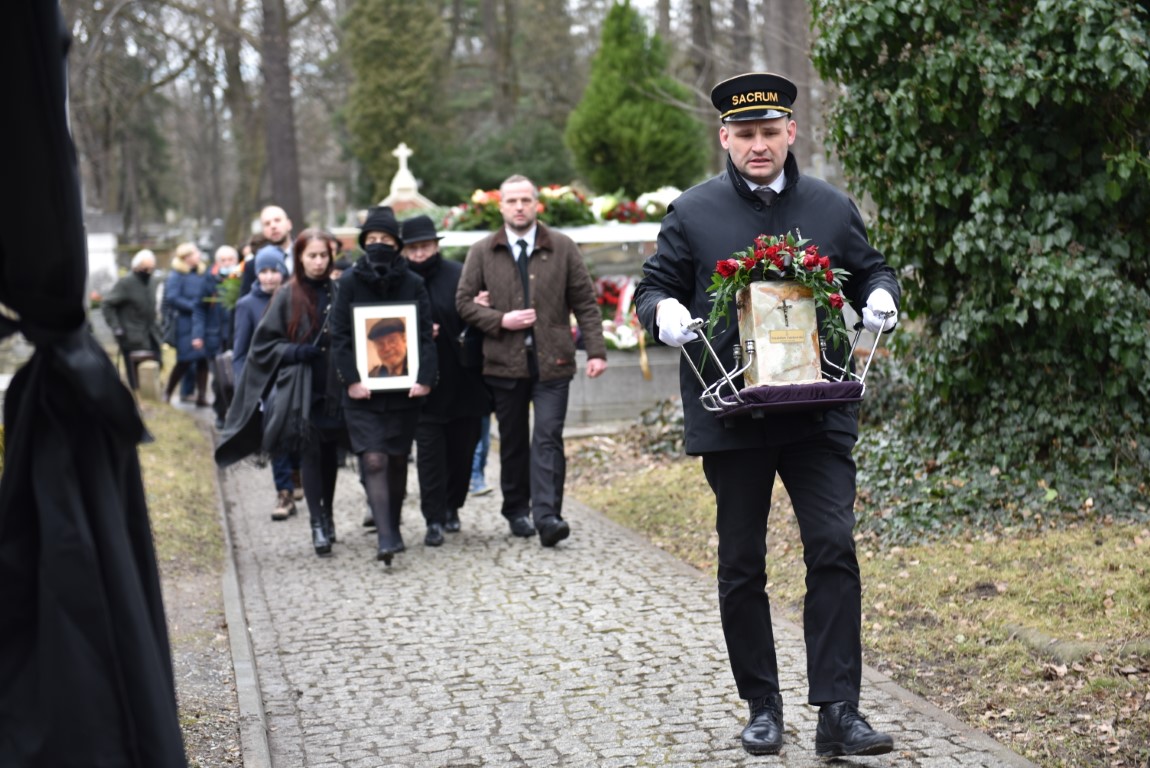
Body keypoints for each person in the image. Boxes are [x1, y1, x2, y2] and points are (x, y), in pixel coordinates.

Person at [633, 72, 901, 758]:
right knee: (742, 561)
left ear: (791, 133)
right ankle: (762, 705)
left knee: (833, 547)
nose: (759, 145)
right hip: (734, 416)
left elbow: (872, 270)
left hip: (817, 413)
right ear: (725, 137)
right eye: (746, 134)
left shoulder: (830, 206)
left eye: (770, 132)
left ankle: (838, 711)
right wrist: (663, 311)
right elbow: (652, 287)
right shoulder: (693, 211)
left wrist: (881, 298)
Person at [455, 174, 608, 547]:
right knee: (513, 441)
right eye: (512, 201)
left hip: (553, 360)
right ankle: (515, 509)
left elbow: (585, 302)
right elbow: (462, 302)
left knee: (548, 436)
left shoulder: (563, 247)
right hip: (502, 362)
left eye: (526, 200)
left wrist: (596, 351)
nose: (519, 207)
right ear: (501, 206)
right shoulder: (482, 251)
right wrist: (500, 320)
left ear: (537, 204)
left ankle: (548, 516)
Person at [219, 229, 345, 556]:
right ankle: (317, 524)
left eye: (323, 256)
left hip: (332, 385)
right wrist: (293, 351)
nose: (318, 262)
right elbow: (262, 345)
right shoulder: (288, 294)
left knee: (330, 455)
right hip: (301, 387)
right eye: (312, 256)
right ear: (300, 258)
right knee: (311, 453)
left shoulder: (339, 291)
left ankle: (328, 516)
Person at [330, 206, 436, 565]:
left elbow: (424, 336)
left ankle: (394, 521)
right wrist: (351, 379)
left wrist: (424, 378)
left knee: (396, 458)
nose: (378, 244)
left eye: (386, 239)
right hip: (362, 394)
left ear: (397, 244)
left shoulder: (414, 283)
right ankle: (385, 536)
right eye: (372, 239)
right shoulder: (348, 283)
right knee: (373, 459)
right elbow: (340, 336)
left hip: (404, 392)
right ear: (363, 243)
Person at [401, 214, 489, 543]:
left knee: (462, 452)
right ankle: (433, 518)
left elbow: (474, 314)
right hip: (422, 384)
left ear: (436, 246)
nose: (419, 253)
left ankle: (453, 506)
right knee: (429, 456)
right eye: (412, 248)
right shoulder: (399, 280)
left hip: (463, 379)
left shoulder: (458, 273)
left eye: (425, 246)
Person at [229, 246, 297, 520]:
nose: (269, 277)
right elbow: (240, 352)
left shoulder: (295, 297)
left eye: (274, 271)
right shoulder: (247, 305)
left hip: (296, 375)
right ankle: (284, 492)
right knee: (275, 433)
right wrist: (244, 387)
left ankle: (297, 475)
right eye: (263, 271)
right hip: (266, 381)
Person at [102, 248, 163, 391]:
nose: (148, 272)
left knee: (156, 363)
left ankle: (151, 392)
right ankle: (138, 394)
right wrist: (116, 327)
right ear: (137, 267)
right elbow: (107, 304)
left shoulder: (152, 281)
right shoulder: (126, 283)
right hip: (131, 335)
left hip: (151, 333)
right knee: (135, 373)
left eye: (151, 268)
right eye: (145, 268)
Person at [195, 245, 240, 428]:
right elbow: (199, 309)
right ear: (217, 262)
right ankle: (220, 413)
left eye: (230, 259)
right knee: (219, 379)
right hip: (215, 338)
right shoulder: (209, 280)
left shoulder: (241, 279)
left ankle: (236, 415)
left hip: (236, 337)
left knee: (237, 378)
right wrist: (198, 334)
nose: (227, 263)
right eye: (223, 260)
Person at [161, 241, 210, 405]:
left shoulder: (202, 273)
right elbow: (172, 298)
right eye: (195, 253)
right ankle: (168, 392)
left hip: (201, 321)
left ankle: (202, 396)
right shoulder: (176, 275)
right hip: (184, 323)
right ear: (186, 257)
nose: (199, 255)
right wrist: (194, 306)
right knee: (184, 360)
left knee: (203, 359)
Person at [239, 204, 293, 298]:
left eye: (277, 220)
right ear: (263, 231)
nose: (273, 226)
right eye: (267, 224)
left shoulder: (305, 256)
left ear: (289, 224)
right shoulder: (253, 265)